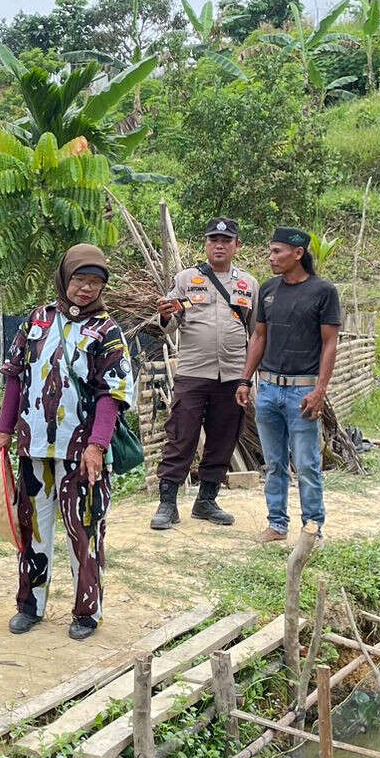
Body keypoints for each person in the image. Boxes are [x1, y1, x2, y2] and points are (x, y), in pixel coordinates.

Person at [0, 245, 133, 640]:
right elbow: (15, 377)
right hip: (34, 447)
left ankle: (87, 611)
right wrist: (5, 431)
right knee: (33, 529)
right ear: (64, 278)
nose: (87, 289)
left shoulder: (108, 331)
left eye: (95, 282)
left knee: (84, 531)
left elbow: (113, 393)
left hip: (82, 453)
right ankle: (30, 605)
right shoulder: (37, 320)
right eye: (79, 279)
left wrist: (97, 445)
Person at [235, 227, 341, 545]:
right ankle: (277, 524)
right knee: (274, 462)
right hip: (267, 389)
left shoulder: (323, 291)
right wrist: (245, 379)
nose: (271, 258)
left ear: (298, 254)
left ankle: (312, 528)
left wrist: (319, 390)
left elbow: (330, 344)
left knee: (307, 464)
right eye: (270, 251)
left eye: (277, 251)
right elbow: (259, 337)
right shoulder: (268, 290)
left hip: (302, 392)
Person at [151, 218, 257, 530]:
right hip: (193, 373)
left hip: (233, 377)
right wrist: (164, 314)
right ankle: (167, 503)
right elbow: (167, 325)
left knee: (224, 438)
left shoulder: (249, 284)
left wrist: (248, 378)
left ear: (237, 245)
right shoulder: (185, 279)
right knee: (181, 436)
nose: (219, 245)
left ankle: (206, 501)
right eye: (213, 240)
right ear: (205, 244)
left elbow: (257, 334)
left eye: (226, 240)